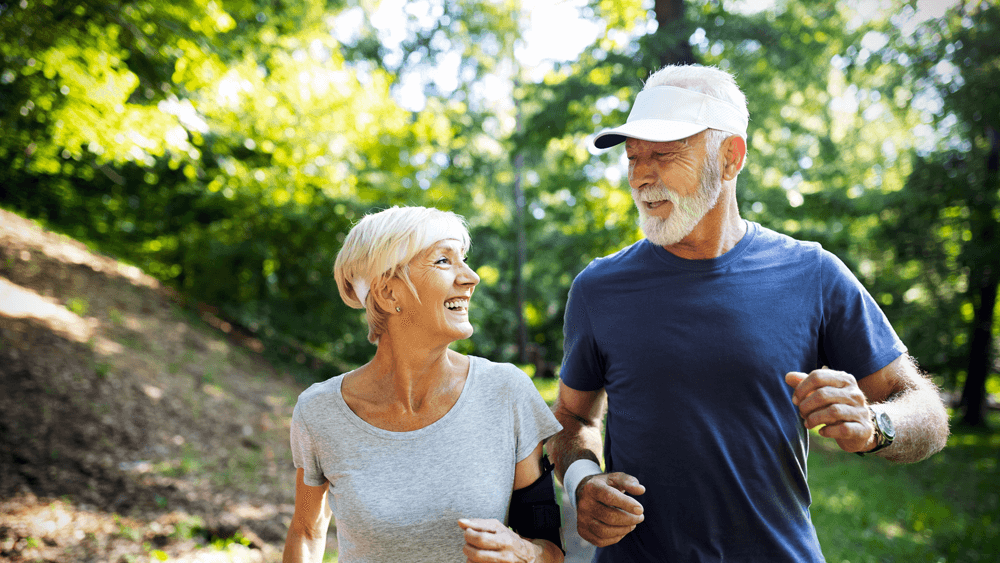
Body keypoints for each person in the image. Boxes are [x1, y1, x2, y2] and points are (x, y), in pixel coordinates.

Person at [547, 64, 950, 562]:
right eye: (633, 157)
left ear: (731, 157)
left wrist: (876, 425)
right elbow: (570, 414)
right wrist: (583, 480)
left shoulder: (814, 274)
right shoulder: (598, 288)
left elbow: (926, 412)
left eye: (664, 155)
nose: (640, 177)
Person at [283, 206, 565, 563]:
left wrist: (522, 552)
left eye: (463, 259)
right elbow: (307, 531)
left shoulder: (506, 392)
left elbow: (550, 551)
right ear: (388, 294)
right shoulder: (320, 410)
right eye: (443, 261)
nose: (471, 277)